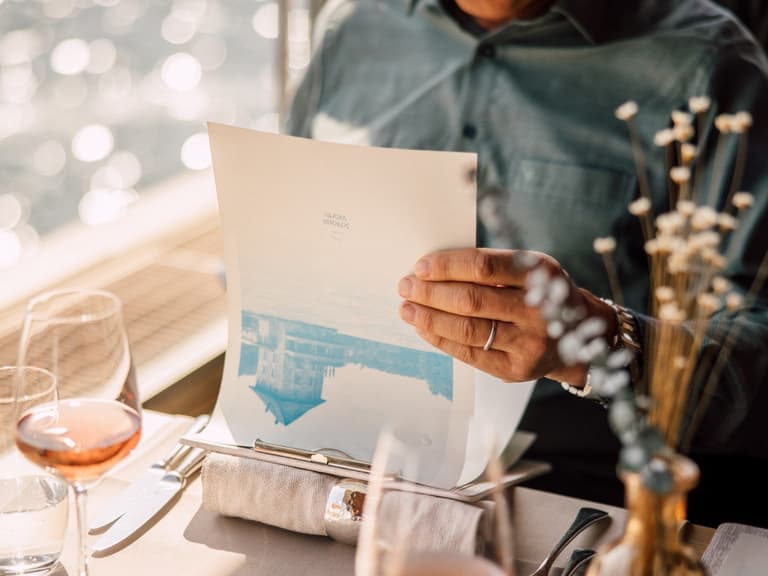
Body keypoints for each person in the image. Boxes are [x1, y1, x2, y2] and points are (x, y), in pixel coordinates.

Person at [286, 0, 768, 527]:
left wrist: (599, 342)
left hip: (586, 491)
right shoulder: (351, 25)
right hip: (346, 454)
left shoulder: (709, 67)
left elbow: (758, 348)